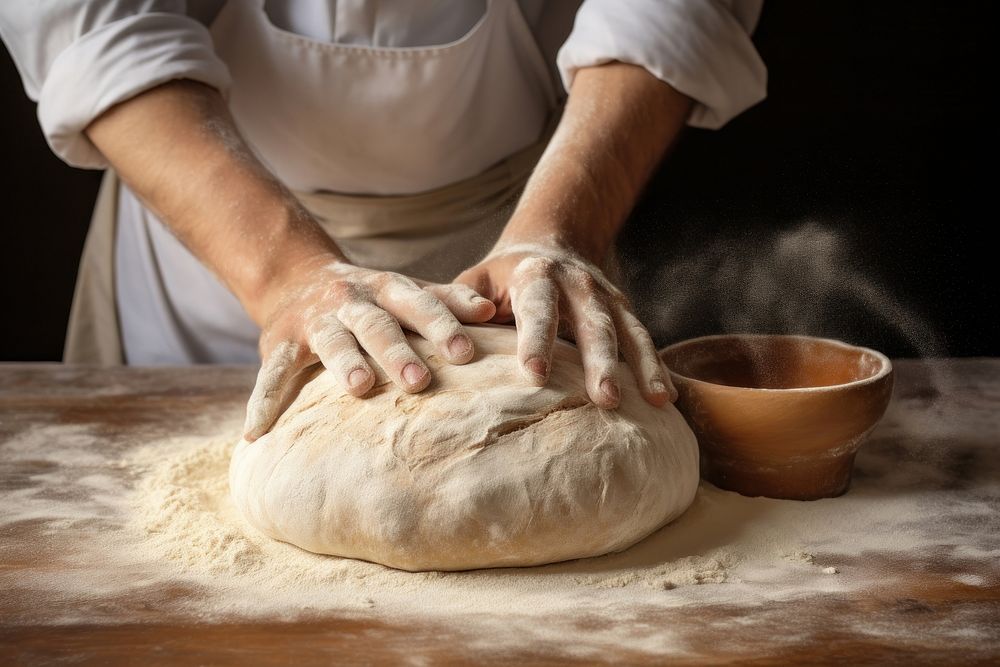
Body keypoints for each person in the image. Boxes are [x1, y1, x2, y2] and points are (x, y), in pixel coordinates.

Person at [0, 1, 766, 440]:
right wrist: (288, 276)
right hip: (208, 241)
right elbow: (89, 28)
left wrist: (562, 226)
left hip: (511, 252)